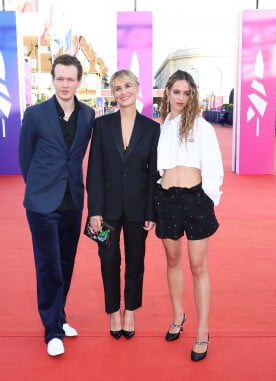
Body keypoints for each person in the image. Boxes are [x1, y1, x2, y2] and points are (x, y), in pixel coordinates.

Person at [18, 54, 95, 357]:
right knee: (48, 266)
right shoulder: (35, 114)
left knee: (66, 264)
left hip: (73, 201)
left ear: (79, 82)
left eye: (70, 79)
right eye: (60, 78)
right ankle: (52, 330)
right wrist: (38, 188)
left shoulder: (88, 115)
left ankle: (59, 318)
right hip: (41, 203)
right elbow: (25, 157)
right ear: (52, 80)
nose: (65, 84)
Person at [154, 70, 223, 362]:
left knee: (197, 266)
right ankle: (178, 315)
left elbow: (214, 167)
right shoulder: (163, 126)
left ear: (192, 95)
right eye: (176, 92)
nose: (181, 98)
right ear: (167, 92)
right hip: (166, 200)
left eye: (187, 93)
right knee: (172, 261)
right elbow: (157, 169)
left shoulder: (201, 126)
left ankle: (203, 331)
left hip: (195, 199)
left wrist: (209, 199)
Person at [86, 69, 160, 341]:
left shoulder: (152, 128)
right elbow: (94, 170)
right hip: (105, 211)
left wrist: (152, 212)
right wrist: (94, 210)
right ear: (113, 93)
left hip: (138, 209)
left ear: (138, 88)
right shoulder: (102, 126)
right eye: (117, 88)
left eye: (128, 86)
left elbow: (154, 175)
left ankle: (130, 309)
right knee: (107, 260)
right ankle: (113, 311)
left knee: (135, 262)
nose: (123, 92)